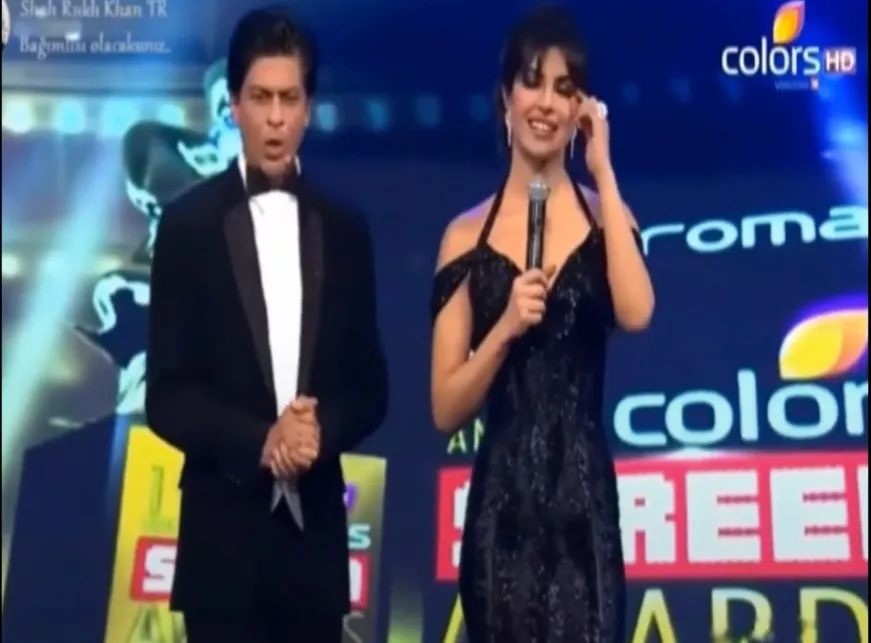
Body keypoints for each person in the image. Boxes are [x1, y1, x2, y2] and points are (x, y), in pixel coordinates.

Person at [145, 9, 388, 643]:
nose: (276, 118)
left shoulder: (347, 229)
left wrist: (316, 433)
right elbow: (167, 396)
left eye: (289, 98)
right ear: (233, 105)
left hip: (315, 556)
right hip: (221, 552)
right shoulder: (187, 227)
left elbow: (370, 387)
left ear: (309, 108)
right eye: (260, 98)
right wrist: (262, 441)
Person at [430, 5, 655, 643]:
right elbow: (445, 406)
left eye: (565, 88)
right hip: (502, 516)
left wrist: (603, 170)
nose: (547, 104)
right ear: (506, 97)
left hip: (585, 513)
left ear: (581, 107)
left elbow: (637, 311)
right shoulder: (465, 237)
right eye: (532, 83)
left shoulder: (607, 216)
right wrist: (503, 329)